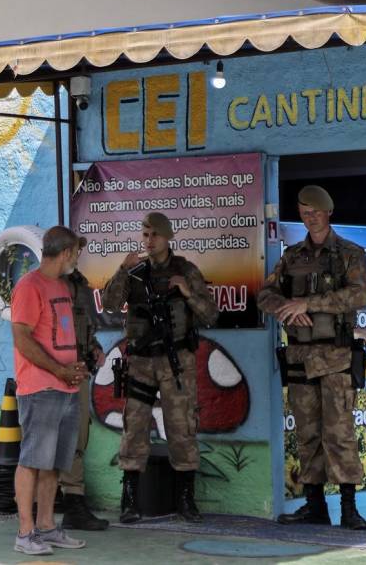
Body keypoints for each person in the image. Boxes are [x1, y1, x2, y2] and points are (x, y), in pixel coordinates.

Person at [258, 185, 366, 530]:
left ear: (328, 212)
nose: (310, 216)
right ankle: (315, 505)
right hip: (300, 358)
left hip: (335, 358)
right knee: (307, 434)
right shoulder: (292, 257)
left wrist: (309, 303)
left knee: (338, 433)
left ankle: (349, 508)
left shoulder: (349, 253)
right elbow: (265, 294)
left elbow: (359, 295)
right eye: (304, 210)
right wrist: (286, 310)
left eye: (316, 210)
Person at [102, 212, 218, 523]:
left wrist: (187, 292)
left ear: (168, 237)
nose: (148, 240)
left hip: (177, 361)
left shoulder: (186, 271)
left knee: (181, 427)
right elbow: (111, 304)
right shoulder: (135, 272)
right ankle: (129, 499)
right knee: (135, 426)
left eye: (154, 235)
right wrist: (122, 271)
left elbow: (210, 315)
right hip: (140, 361)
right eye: (145, 234)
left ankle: (185, 498)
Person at [10, 225, 89, 556]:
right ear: (67, 252)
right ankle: (25, 533)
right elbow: (23, 338)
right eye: (77, 252)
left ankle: (46, 526)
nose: (78, 257)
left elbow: (62, 335)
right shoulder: (30, 286)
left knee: (55, 461)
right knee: (32, 459)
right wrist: (58, 369)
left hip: (65, 385)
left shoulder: (61, 285)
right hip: (40, 387)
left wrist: (75, 366)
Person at [57, 249, 110, 531]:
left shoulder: (79, 285)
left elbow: (86, 327)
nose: (77, 255)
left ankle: (73, 503)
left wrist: (94, 349)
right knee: (50, 439)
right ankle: (39, 513)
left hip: (77, 370)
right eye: (73, 250)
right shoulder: (43, 283)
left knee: (77, 436)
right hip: (51, 372)